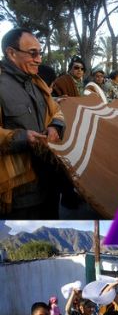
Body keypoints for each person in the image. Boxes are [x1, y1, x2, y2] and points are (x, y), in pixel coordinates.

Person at [1, 28, 66, 218]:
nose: (39, 59)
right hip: (20, 194)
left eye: (40, 53)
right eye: (32, 53)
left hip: (50, 183)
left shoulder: (38, 83)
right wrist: (23, 138)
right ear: (11, 53)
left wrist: (55, 126)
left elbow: (56, 110)